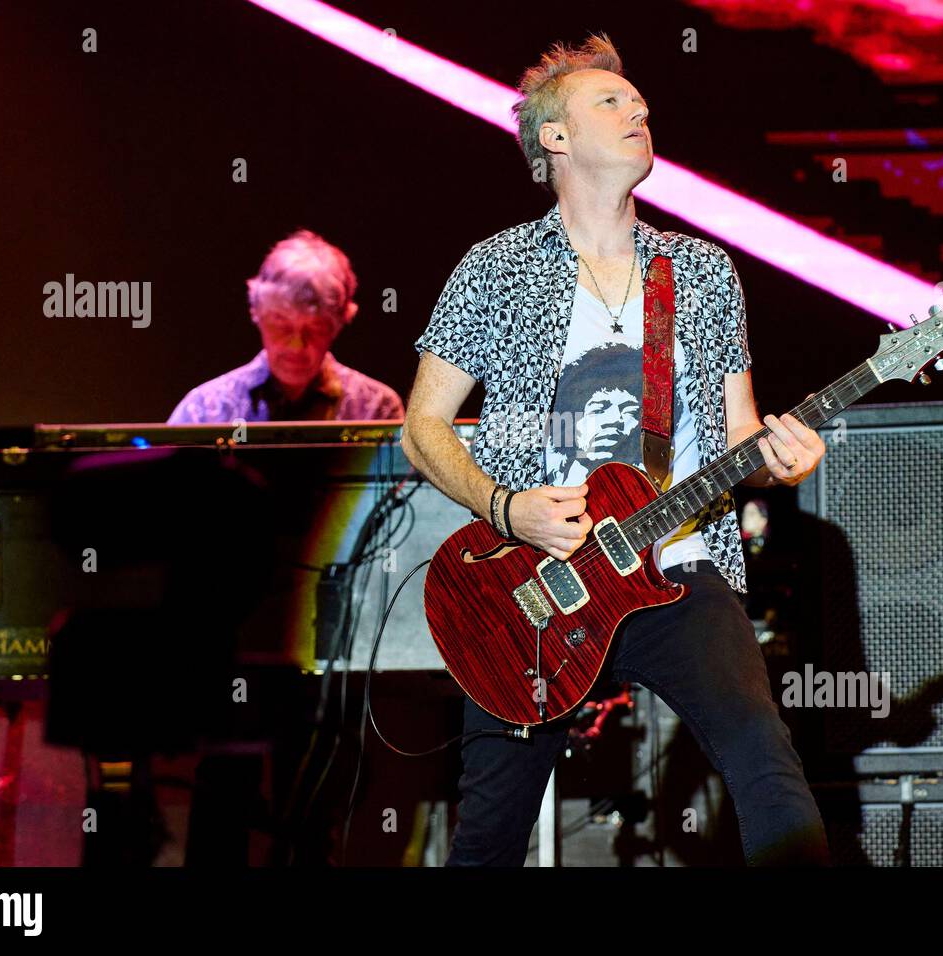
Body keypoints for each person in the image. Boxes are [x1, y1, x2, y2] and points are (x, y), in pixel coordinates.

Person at [402, 34, 830, 865]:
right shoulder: (495, 268)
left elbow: (741, 429)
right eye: (612, 101)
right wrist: (506, 508)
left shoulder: (701, 271)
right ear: (554, 137)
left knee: (765, 759)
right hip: (534, 581)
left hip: (678, 562)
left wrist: (787, 456)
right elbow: (422, 427)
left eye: (640, 102)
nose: (640, 109)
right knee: (489, 832)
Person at [168, 230, 403, 423]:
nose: (296, 345)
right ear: (256, 313)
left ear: (338, 325)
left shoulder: (376, 410)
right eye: (281, 324)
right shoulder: (203, 411)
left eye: (315, 327)